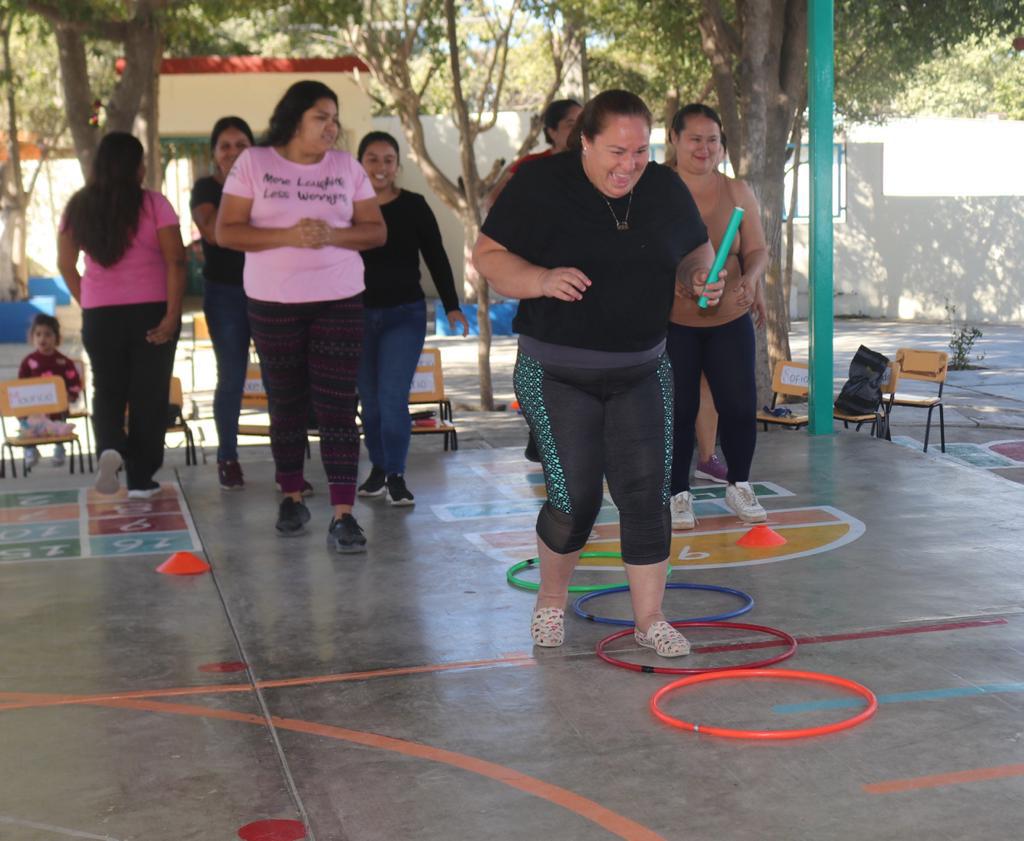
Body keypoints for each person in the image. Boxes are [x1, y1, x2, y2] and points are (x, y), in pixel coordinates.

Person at [473, 89, 724, 656]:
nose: (629, 165)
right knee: (575, 500)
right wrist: (540, 280)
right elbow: (488, 257)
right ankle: (550, 601)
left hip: (643, 369)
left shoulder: (663, 188)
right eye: (616, 151)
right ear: (584, 141)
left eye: (640, 151)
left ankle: (650, 618)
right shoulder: (540, 184)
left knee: (647, 497)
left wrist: (698, 278)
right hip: (556, 372)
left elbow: (696, 250)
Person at [216, 80, 386, 552]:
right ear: (294, 118)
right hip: (272, 302)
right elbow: (227, 232)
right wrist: (288, 236)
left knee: (337, 406)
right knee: (286, 402)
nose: (332, 127)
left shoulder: (346, 166)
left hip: (339, 298)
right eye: (321, 117)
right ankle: (291, 496)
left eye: (335, 118)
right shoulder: (255, 163)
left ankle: (343, 513)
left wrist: (331, 235)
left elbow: (375, 232)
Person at [57, 131, 184, 498]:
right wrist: (172, 314)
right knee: (149, 392)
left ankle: (109, 446)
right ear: (135, 167)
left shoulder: (78, 207)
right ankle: (141, 478)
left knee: (108, 387)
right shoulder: (154, 204)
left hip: (100, 314)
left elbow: (65, 263)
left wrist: (89, 302)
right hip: (151, 311)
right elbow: (176, 260)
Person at [666, 103, 768, 530]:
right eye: (695, 139)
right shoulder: (655, 189)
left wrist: (753, 279)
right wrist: (676, 280)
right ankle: (677, 493)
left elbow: (757, 249)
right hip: (674, 323)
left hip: (729, 319)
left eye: (712, 140)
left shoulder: (738, 191)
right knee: (679, 409)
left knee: (740, 405)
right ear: (674, 140)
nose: (704, 148)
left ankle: (739, 484)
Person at [355, 131, 469, 505]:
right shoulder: (345, 207)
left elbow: (436, 256)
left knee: (391, 396)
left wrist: (452, 305)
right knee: (370, 402)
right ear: (359, 164)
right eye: (372, 159)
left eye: (388, 159)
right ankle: (378, 466)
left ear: (397, 166)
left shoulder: (414, 205)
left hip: (404, 315)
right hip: (356, 316)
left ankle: (396, 474)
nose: (380, 166)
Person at [487, 98, 583, 463]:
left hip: (584, 280)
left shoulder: (599, 166)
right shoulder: (530, 168)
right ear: (552, 131)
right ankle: (540, 429)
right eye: (570, 123)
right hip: (541, 274)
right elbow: (495, 204)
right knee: (541, 349)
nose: (578, 129)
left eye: (583, 121)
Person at [190, 116, 255, 490]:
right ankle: (228, 458)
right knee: (231, 376)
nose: (233, 152)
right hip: (225, 294)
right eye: (225, 146)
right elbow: (216, 235)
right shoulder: (205, 188)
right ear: (214, 153)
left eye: (241, 145)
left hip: (270, 290)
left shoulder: (267, 184)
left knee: (279, 377)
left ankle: (288, 463)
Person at [17, 313, 82, 469]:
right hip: (34, 410)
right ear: (32, 337)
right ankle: (30, 449)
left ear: (56, 337)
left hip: (57, 410)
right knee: (27, 425)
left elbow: (74, 383)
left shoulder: (64, 362)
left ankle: (60, 447)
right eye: (38, 334)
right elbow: (20, 386)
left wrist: (70, 396)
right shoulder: (28, 362)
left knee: (59, 423)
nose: (42, 338)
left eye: (47, 334)